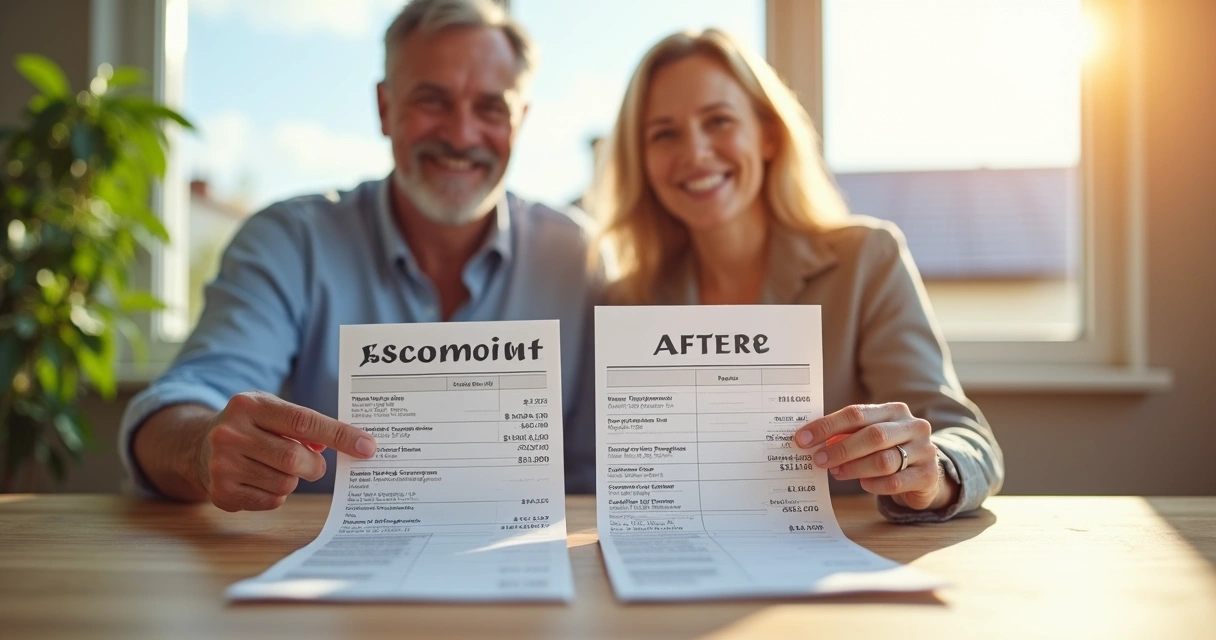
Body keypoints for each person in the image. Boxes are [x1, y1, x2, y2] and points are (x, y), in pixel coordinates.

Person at [120, 0, 599, 511]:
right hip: (319, 569)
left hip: (524, 568)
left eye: (490, 108)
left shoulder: (581, 257)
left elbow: (603, 465)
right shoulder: (290, 240)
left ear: (520, 121)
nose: (461, 135)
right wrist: (201, 449)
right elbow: (181, 403)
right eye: (432, 101)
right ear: (384, 108)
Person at [587, 28, 1003, 522]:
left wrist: (929, 474)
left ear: (766, 135)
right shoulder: (628, 300)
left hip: (841, 557)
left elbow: (968, 441)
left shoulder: (866, 259)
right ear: (642, 160)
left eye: (718, 121)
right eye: (664, 133)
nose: (695, 153)